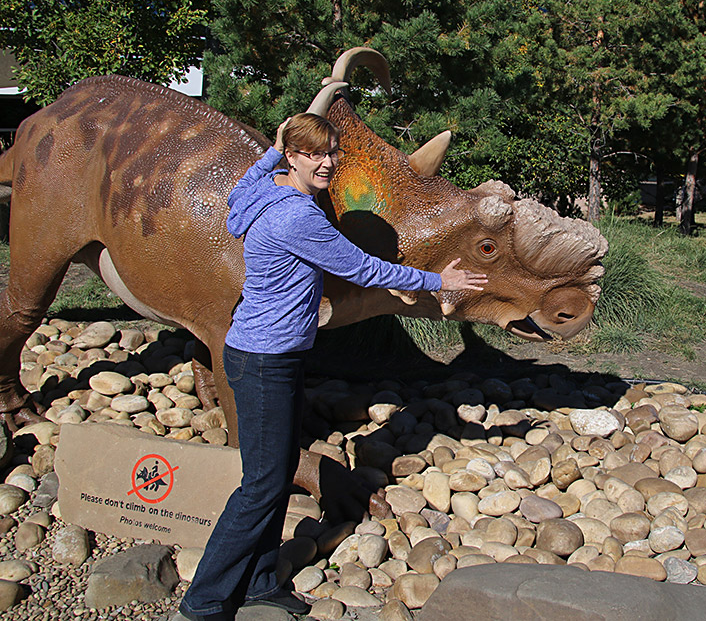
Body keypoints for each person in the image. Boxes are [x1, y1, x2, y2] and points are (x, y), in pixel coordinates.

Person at [174, 113, 487, 621]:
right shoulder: (297, 217)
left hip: (271, 353)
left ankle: (257, 582)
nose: (327, 163)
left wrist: (275, 150)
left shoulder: (261, 191)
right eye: (314, 154)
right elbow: (363, 267)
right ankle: (204, 601)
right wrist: (437, 279)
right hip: (264, 361)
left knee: (271, 478)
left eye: (331, 153)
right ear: (295, 157)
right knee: (261, 484)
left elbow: (242, 187)